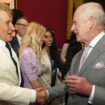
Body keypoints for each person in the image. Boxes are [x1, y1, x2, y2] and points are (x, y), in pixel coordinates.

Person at [41, 2, 105, 105]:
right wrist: (46, 93)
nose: (72, 29)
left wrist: (90, 90)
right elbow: (67, 84)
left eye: (75, 23)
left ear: (90, 22)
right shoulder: (78, 55)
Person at [0, 3, 46, 105]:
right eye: (8, 23)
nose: (13, 28)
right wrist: (33, 95)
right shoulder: (25, 51)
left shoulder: (8, 46)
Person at [19, 22, 46, 105]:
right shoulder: (28, 52)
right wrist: (42, 98)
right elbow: (34, 81)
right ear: (35, 35)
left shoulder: (32, 51)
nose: (44, 39)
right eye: (43, 35)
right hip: (32, 96)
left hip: (35, 95)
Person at [41, 27, 63, 105]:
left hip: (56, 89)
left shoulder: (55, 52)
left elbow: (58, 70)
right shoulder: (39, 53)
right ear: (41, 38)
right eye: (46, 37)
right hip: (44, 90)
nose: (49, 39)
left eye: (51, 36)